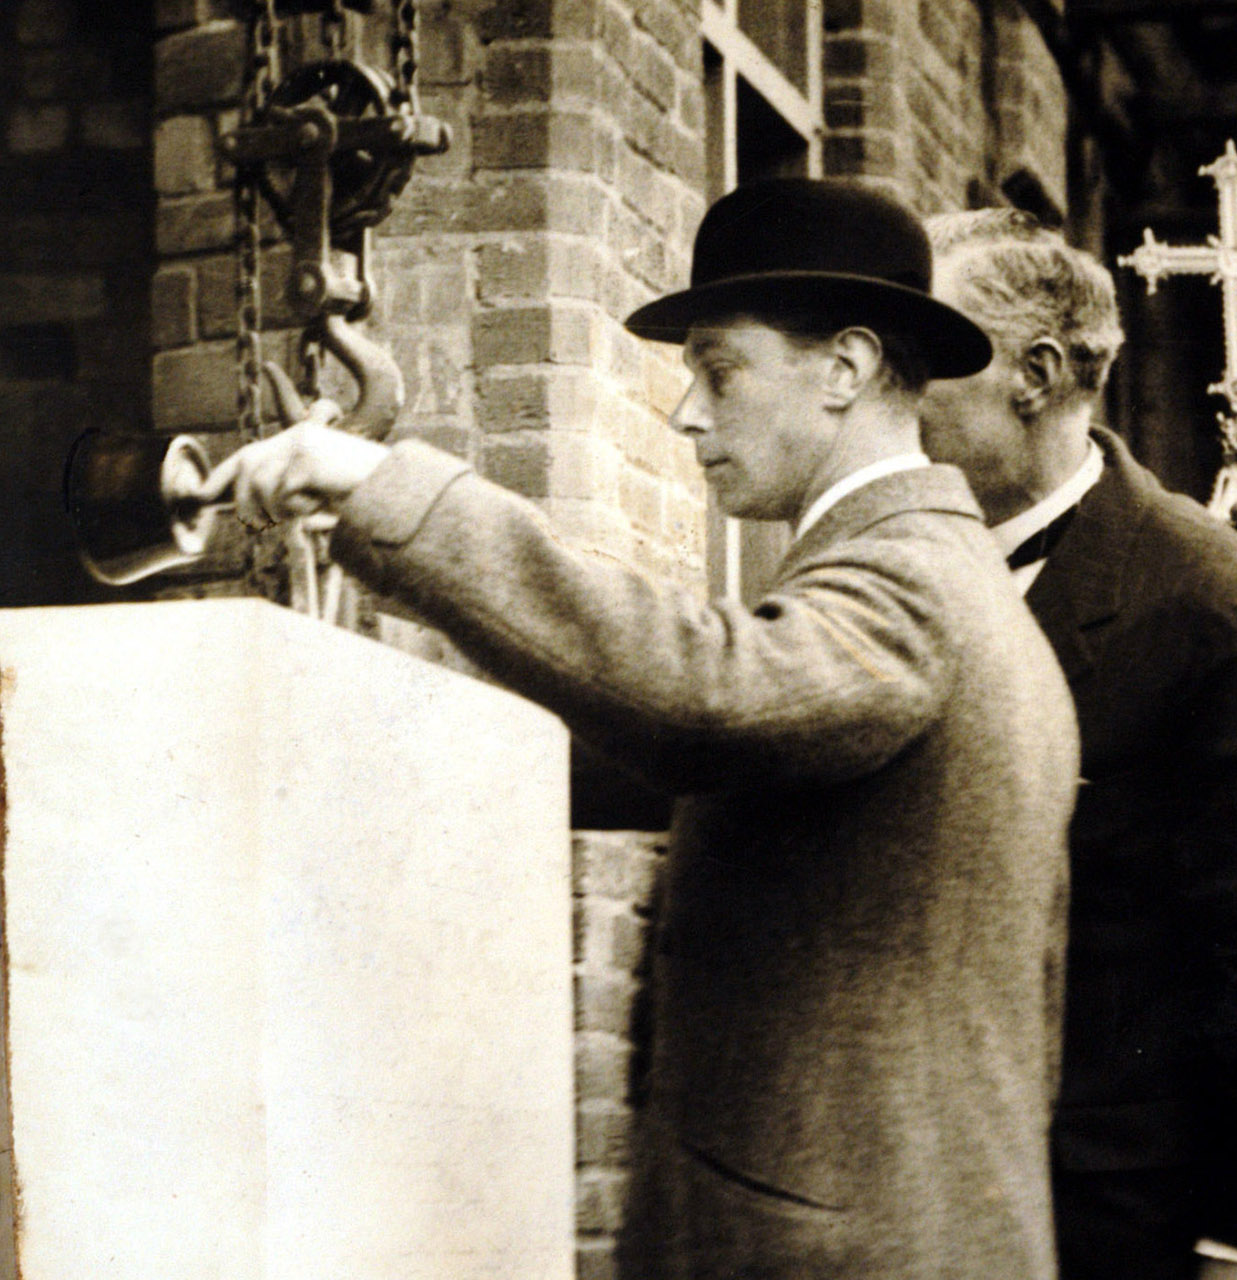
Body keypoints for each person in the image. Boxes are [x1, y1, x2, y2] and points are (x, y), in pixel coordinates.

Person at [196, 179, 1081, 1280]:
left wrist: (394, 495)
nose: (687, 412)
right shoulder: (946, 583)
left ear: (845, 369)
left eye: (718, 367)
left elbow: (710, 693)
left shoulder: (911, 590)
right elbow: (659, 748)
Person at [919, 208, 1237, 1280]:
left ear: (1032, 373)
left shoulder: (1223, 612)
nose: (885, 396)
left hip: (1119, 1219)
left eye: (920, 358)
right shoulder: (902, 571)